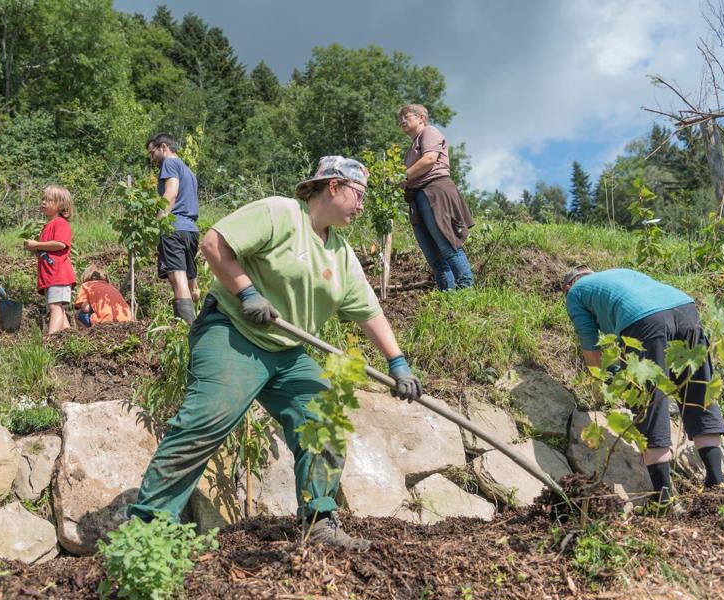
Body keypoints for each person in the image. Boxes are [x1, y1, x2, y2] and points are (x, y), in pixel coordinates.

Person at [127, 156, 423, 551]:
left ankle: (319, 521)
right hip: (233, 332)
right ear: (333, 186)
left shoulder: (340, 253)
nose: (363, 204)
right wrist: (246, 291)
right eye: (359, 194)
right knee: (206, 421)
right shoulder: (281, 213)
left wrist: (397, 362)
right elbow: (214, 243)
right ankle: (147, 533)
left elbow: (369, 311)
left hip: (286, 352)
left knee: (324, 417)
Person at [562, 266, 724, 504]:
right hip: (685, 308)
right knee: (698, 392)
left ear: (567, 287)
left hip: (645, 320)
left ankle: (664, 500)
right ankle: (717, 483)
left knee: (650, 403)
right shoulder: (617, 273)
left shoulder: (575, 293)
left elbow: (592, 353)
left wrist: (616, 380)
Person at [398, 103, 475, 291]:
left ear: (421, 118)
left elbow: (430, 159)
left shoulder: (429, 133)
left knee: (448, 245)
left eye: (406, 116)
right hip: (419, 197)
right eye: (400, 118)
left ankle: (467, 290)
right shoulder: (412, 146)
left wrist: (402, 176)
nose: (402, 121)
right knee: (435, 257)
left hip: (434, 192)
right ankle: (448, 297)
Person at [147, 133, 201, 324]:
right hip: (191, 230)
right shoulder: (188, 170)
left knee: (177, 278)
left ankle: (186, 328)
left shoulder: (169, 163)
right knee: (190, 281)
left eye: (152, 152)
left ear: (163, 147)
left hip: (174, 228)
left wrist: (159, 223)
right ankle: (199, 321)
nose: (151, 158)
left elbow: (171, 193)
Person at [24, 185, 76, 335]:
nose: (44, 202)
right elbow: (45, 252)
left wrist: (37, 244)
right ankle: (69, 337)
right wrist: (36, 249)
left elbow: (60, 244)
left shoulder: (60, 223)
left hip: (59, 275)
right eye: (43, 199)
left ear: (61, 205)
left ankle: (50, 339)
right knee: (58, 309)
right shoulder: (47, 226)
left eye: (49, 200)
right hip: (51, 276)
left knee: (55, 307)